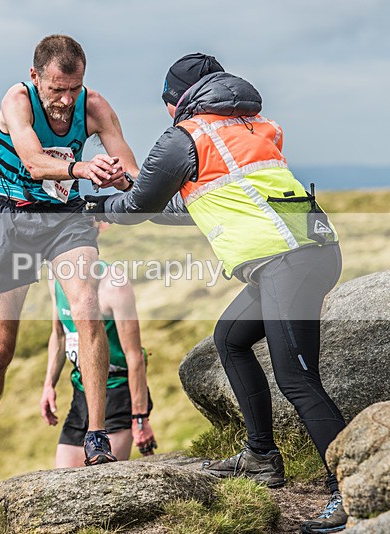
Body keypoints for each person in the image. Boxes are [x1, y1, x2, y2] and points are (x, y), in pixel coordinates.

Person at [86, 53, 347, 533]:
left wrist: (98, 201)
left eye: (166, 104)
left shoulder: (184, 135)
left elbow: (137, 207)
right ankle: (262, 457)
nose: (167, 113)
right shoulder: (251, 126)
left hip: (289, 262)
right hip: (304, 253)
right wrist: (135, 194)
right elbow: (193, 206)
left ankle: (349, 487)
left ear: (175, 100)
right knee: (229, 338)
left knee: (298, 379)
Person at [0, 34, 140, 495]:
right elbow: (34, 161)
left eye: (73, 88)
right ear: (36, 78)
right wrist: (81, 169)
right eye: (56, 89)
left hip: (65, 221)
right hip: (10, 216)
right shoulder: (17, 100)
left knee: (87, 308)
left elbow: (133, 169)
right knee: (0, 348)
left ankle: (95, 436)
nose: (65, 100)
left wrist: (118, 174)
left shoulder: (93, 106)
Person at [40, 255, 156, 467]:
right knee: (63, 483)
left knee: (104, 482)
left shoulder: (114, 285)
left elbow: (134, 355)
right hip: (81, 393)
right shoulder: (56, 277)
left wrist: (140, 419)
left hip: (116, 392)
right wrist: (49, 385)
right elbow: (59, 335)